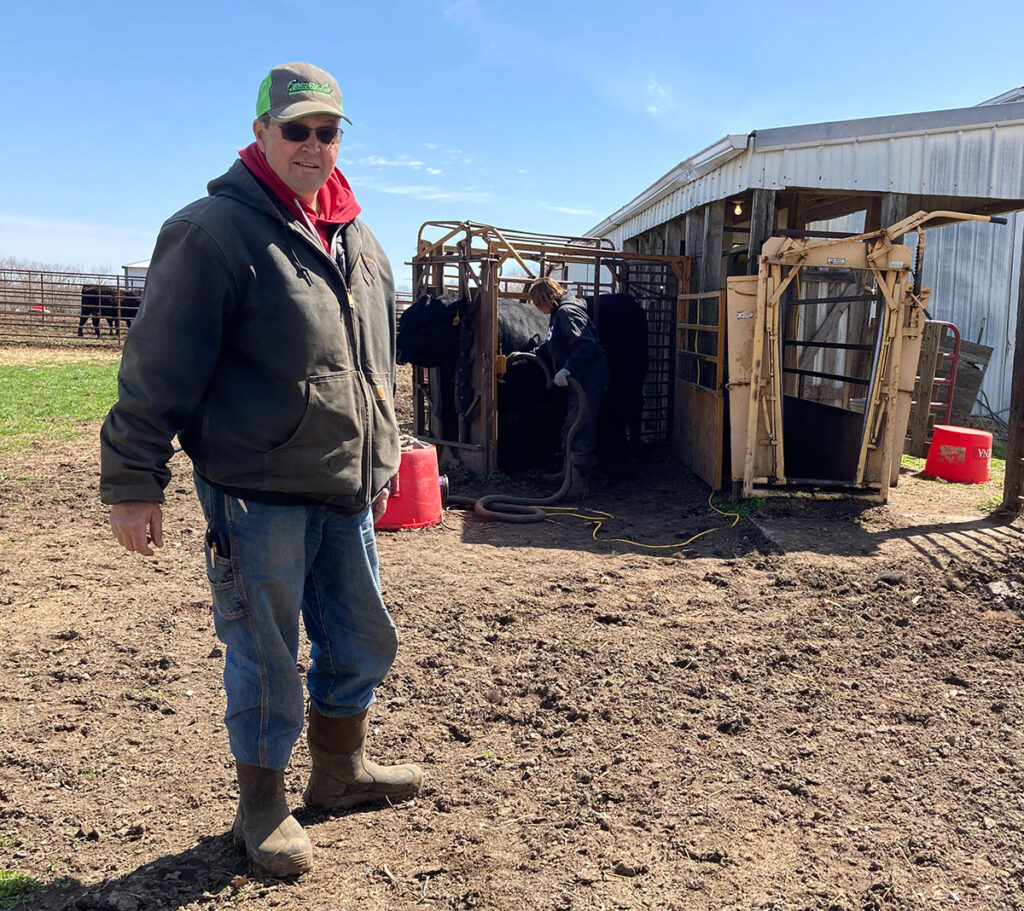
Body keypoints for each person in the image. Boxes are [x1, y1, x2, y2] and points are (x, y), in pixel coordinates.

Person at [99, 62, 422, 878]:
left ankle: (340, 770)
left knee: (362, 636)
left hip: (346, 485)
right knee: (267, 652)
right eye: (297, 130)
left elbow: (371, 364)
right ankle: (262, 802)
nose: (315, 145)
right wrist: (134, 479)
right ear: (261, 134)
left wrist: (382, 455)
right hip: (256, 492)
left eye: (329, 130)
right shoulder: (213, 232)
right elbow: (157, 367)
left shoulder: (361, 238)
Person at [527, 277, 609, 498]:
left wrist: (567, 369)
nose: (536, 307)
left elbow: (586, 344)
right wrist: (533, 354)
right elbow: (556, 342)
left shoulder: (567, 312)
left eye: (537, 302)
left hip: (587, 378)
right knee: (571, 425)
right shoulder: (558, 313)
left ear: (546, 298)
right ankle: (567, 473)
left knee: (580, 427)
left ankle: (579, 485)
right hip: (579, 378)